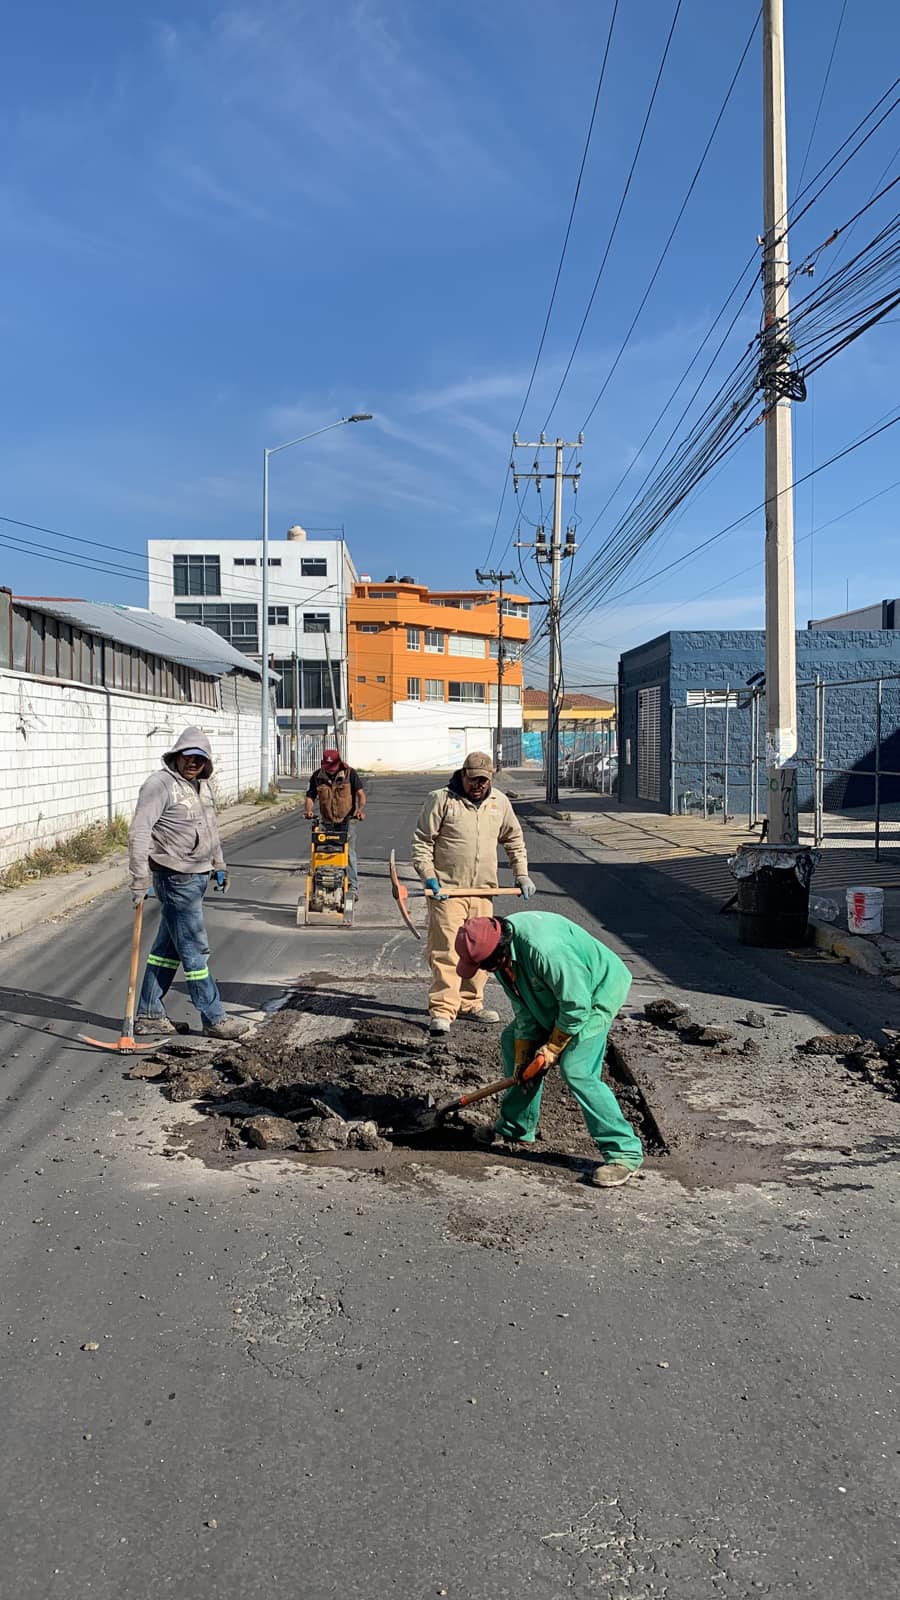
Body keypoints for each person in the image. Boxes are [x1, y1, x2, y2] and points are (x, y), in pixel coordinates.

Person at [454, 910, 644, 1188]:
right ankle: (516, 1128)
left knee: (576, 1068)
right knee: (511, 1041)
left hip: (594, 993)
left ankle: (623, 1152)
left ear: (500, 953)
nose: (482, 971)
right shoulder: (504, 957)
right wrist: (524, 1054)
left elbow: (577, 1006)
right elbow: (524, 1010)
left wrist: (552, 1048)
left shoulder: (544, 952)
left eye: (483, 965)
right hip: (562, 994)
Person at [128, 727, 250, 1040]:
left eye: (200, 758)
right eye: (188, 756)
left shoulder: (201, 786)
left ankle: (149, 1013)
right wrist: (140, 878)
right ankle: (214, 1017)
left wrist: (219, 864)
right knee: (195, 949)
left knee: (166, 950)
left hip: (197, 876)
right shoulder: (159, 784)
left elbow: (210, 828)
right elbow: (140, 831)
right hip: (175, 877)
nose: (193, 762)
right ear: (177, 755)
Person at [412, 751, 535, 1035]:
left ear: (490, 778)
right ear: (463, 775)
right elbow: (422, 841)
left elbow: (514, 839)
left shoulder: (499, 803)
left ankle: (470, 1003)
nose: (478, 785)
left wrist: (522, 874)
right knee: (447, 952)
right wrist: (429, 877)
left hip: (482, 892)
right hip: (447, 891)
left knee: (482, 951)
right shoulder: (441, 800)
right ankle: (443, 1010)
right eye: (472, 779)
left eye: (483, 780)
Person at [304, 749, 366, 902]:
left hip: (347, 820)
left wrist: (359, 809)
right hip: (327, 821)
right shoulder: (317, 776)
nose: (330, 770)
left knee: (348, 852)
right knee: (325, 852)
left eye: (332, 767)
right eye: (328, 767)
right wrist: (309, 810)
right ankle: (323, 883)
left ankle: (353, 886)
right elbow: (310, 796)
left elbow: (361, 795)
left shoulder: (350, 774)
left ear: (339, 763)